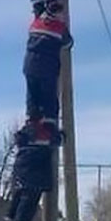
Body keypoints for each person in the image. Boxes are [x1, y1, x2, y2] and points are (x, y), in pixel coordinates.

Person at [23, 9, 72, 143]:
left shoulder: (35, 24)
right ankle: (49, 126)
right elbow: (68, 43)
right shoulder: (59, 27)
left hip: (29, 66)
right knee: (49, 97)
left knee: (32, 95)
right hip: (47, 68)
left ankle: (32, 123)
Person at [0, 140, 54, 221]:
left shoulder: (26, 132)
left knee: (17, 199)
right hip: (36, 173)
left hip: (20, 171)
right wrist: (60, 136)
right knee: (29, 203)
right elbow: (55, 139)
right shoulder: (45, 128)